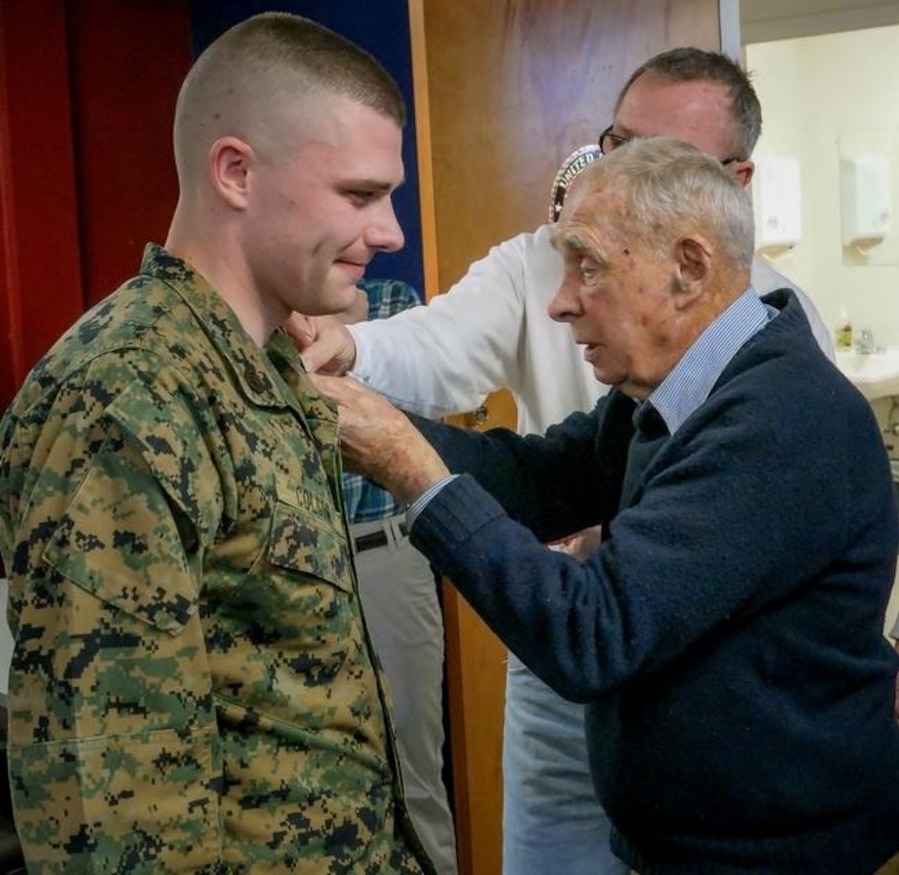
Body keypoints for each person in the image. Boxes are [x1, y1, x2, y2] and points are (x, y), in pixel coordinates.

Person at [290, 48, 836, 875]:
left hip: (711, 736)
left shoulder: (774, 389)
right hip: (584, 655)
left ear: (704, 238)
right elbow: (536, 468)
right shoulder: (651, 380)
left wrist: (413, 470)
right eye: (617, 144)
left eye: (589, 271)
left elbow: (607, 626)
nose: (560, 300)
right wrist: (354, 361)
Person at [0, 13, 434, 873]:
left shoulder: (265, 363)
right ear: (235, 172)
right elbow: (112, 806)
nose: (391, 232)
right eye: (358, 195)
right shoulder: (123, 396)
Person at [340, 279, 458, 874]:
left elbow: (423, 429)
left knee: (414, 764)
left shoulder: (394, 306)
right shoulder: (271, 320)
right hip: (308, 561)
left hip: (389, 554)